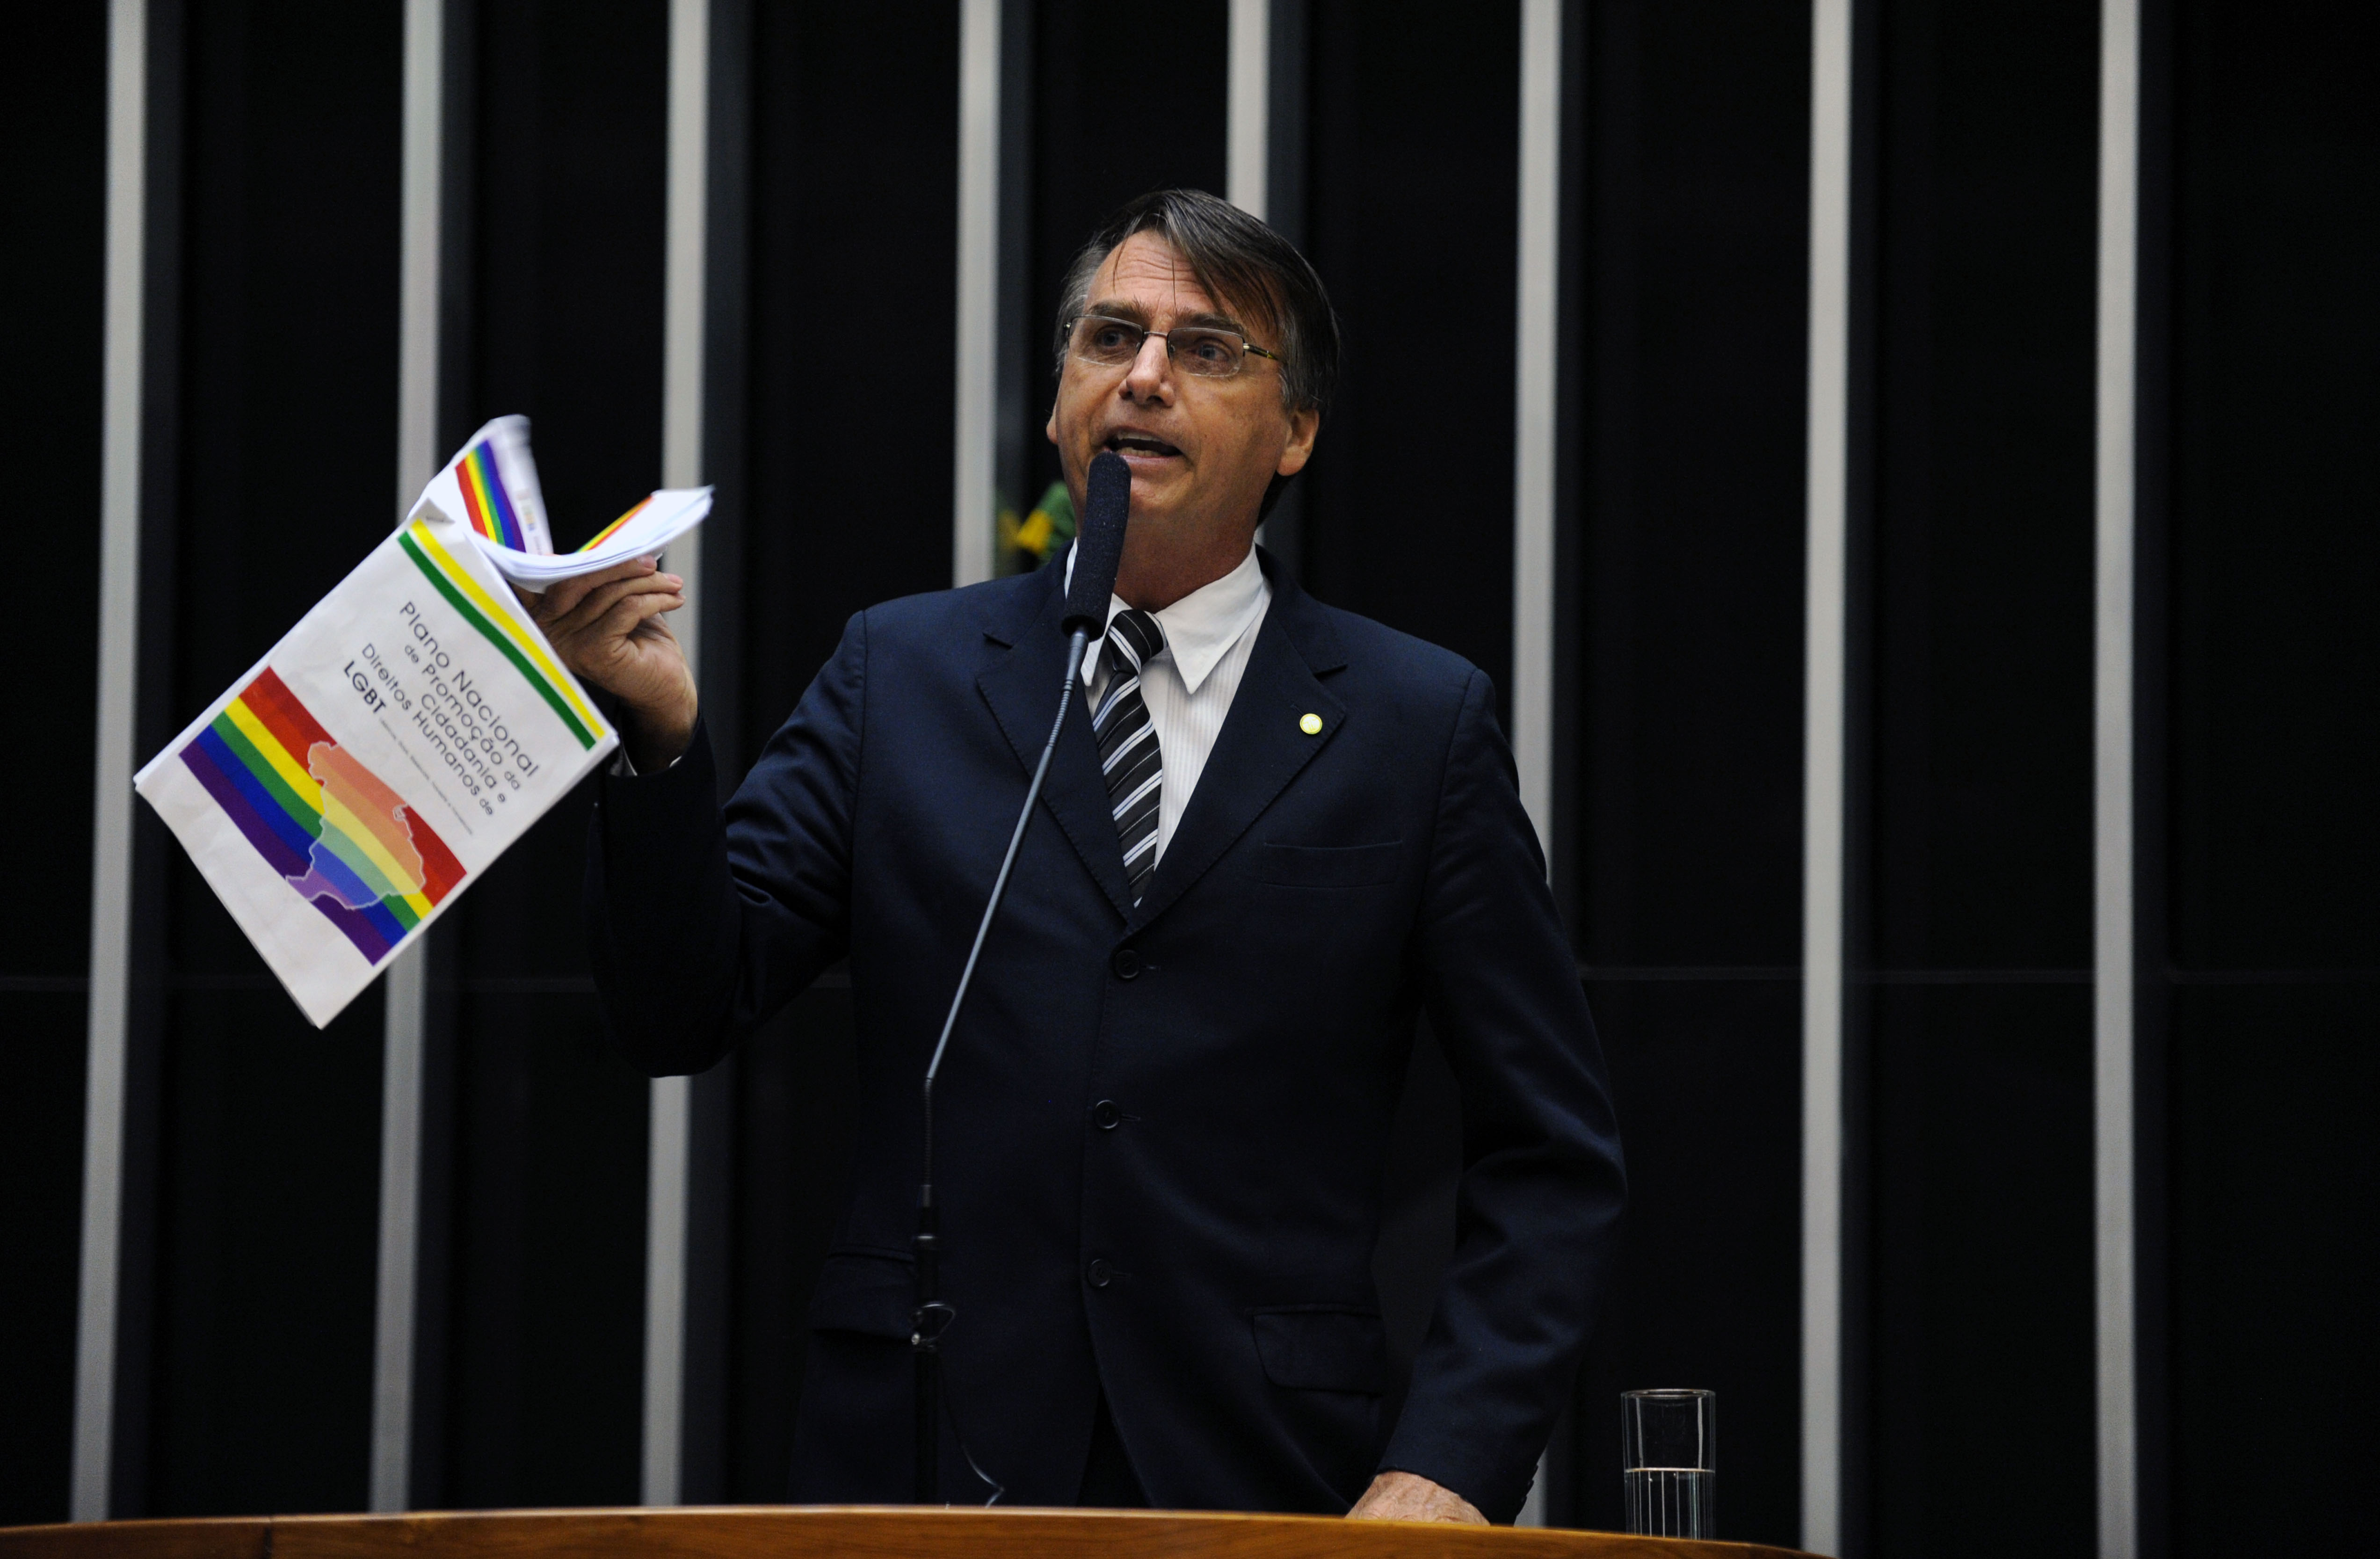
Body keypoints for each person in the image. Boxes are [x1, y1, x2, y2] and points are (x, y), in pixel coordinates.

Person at [536, 189, 1623, 1524]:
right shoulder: (903, 674)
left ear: (1297, 433)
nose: (1146, 376)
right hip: (925, 1467)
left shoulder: (1415, 721)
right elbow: (677, 1007)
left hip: (1262, 1472)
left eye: (1208, 348)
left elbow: (1552, 1152)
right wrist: (658, 746)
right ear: (1059, 406)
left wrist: (1450, 1462)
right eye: (1110, 339)